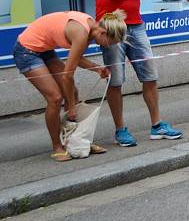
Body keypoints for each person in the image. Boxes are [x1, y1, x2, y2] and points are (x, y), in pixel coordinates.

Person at [90, 0, 182, 147]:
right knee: (116, 80)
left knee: (150, 75)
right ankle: (120, 129)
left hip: (136, 23)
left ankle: (157, 124)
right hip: (111, 26)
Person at [13, 10, 127, 161]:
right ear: (103, 32)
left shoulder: (91, 29)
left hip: (45, 50)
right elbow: (67, 76)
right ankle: (57, 147)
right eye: (110, 43)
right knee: (55, 98)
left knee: (72, 93)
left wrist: (97, 68)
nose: (108, 46)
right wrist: (72, 107)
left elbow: (77, 58)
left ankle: (76, 142)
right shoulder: (81, 33)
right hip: (26, 51)